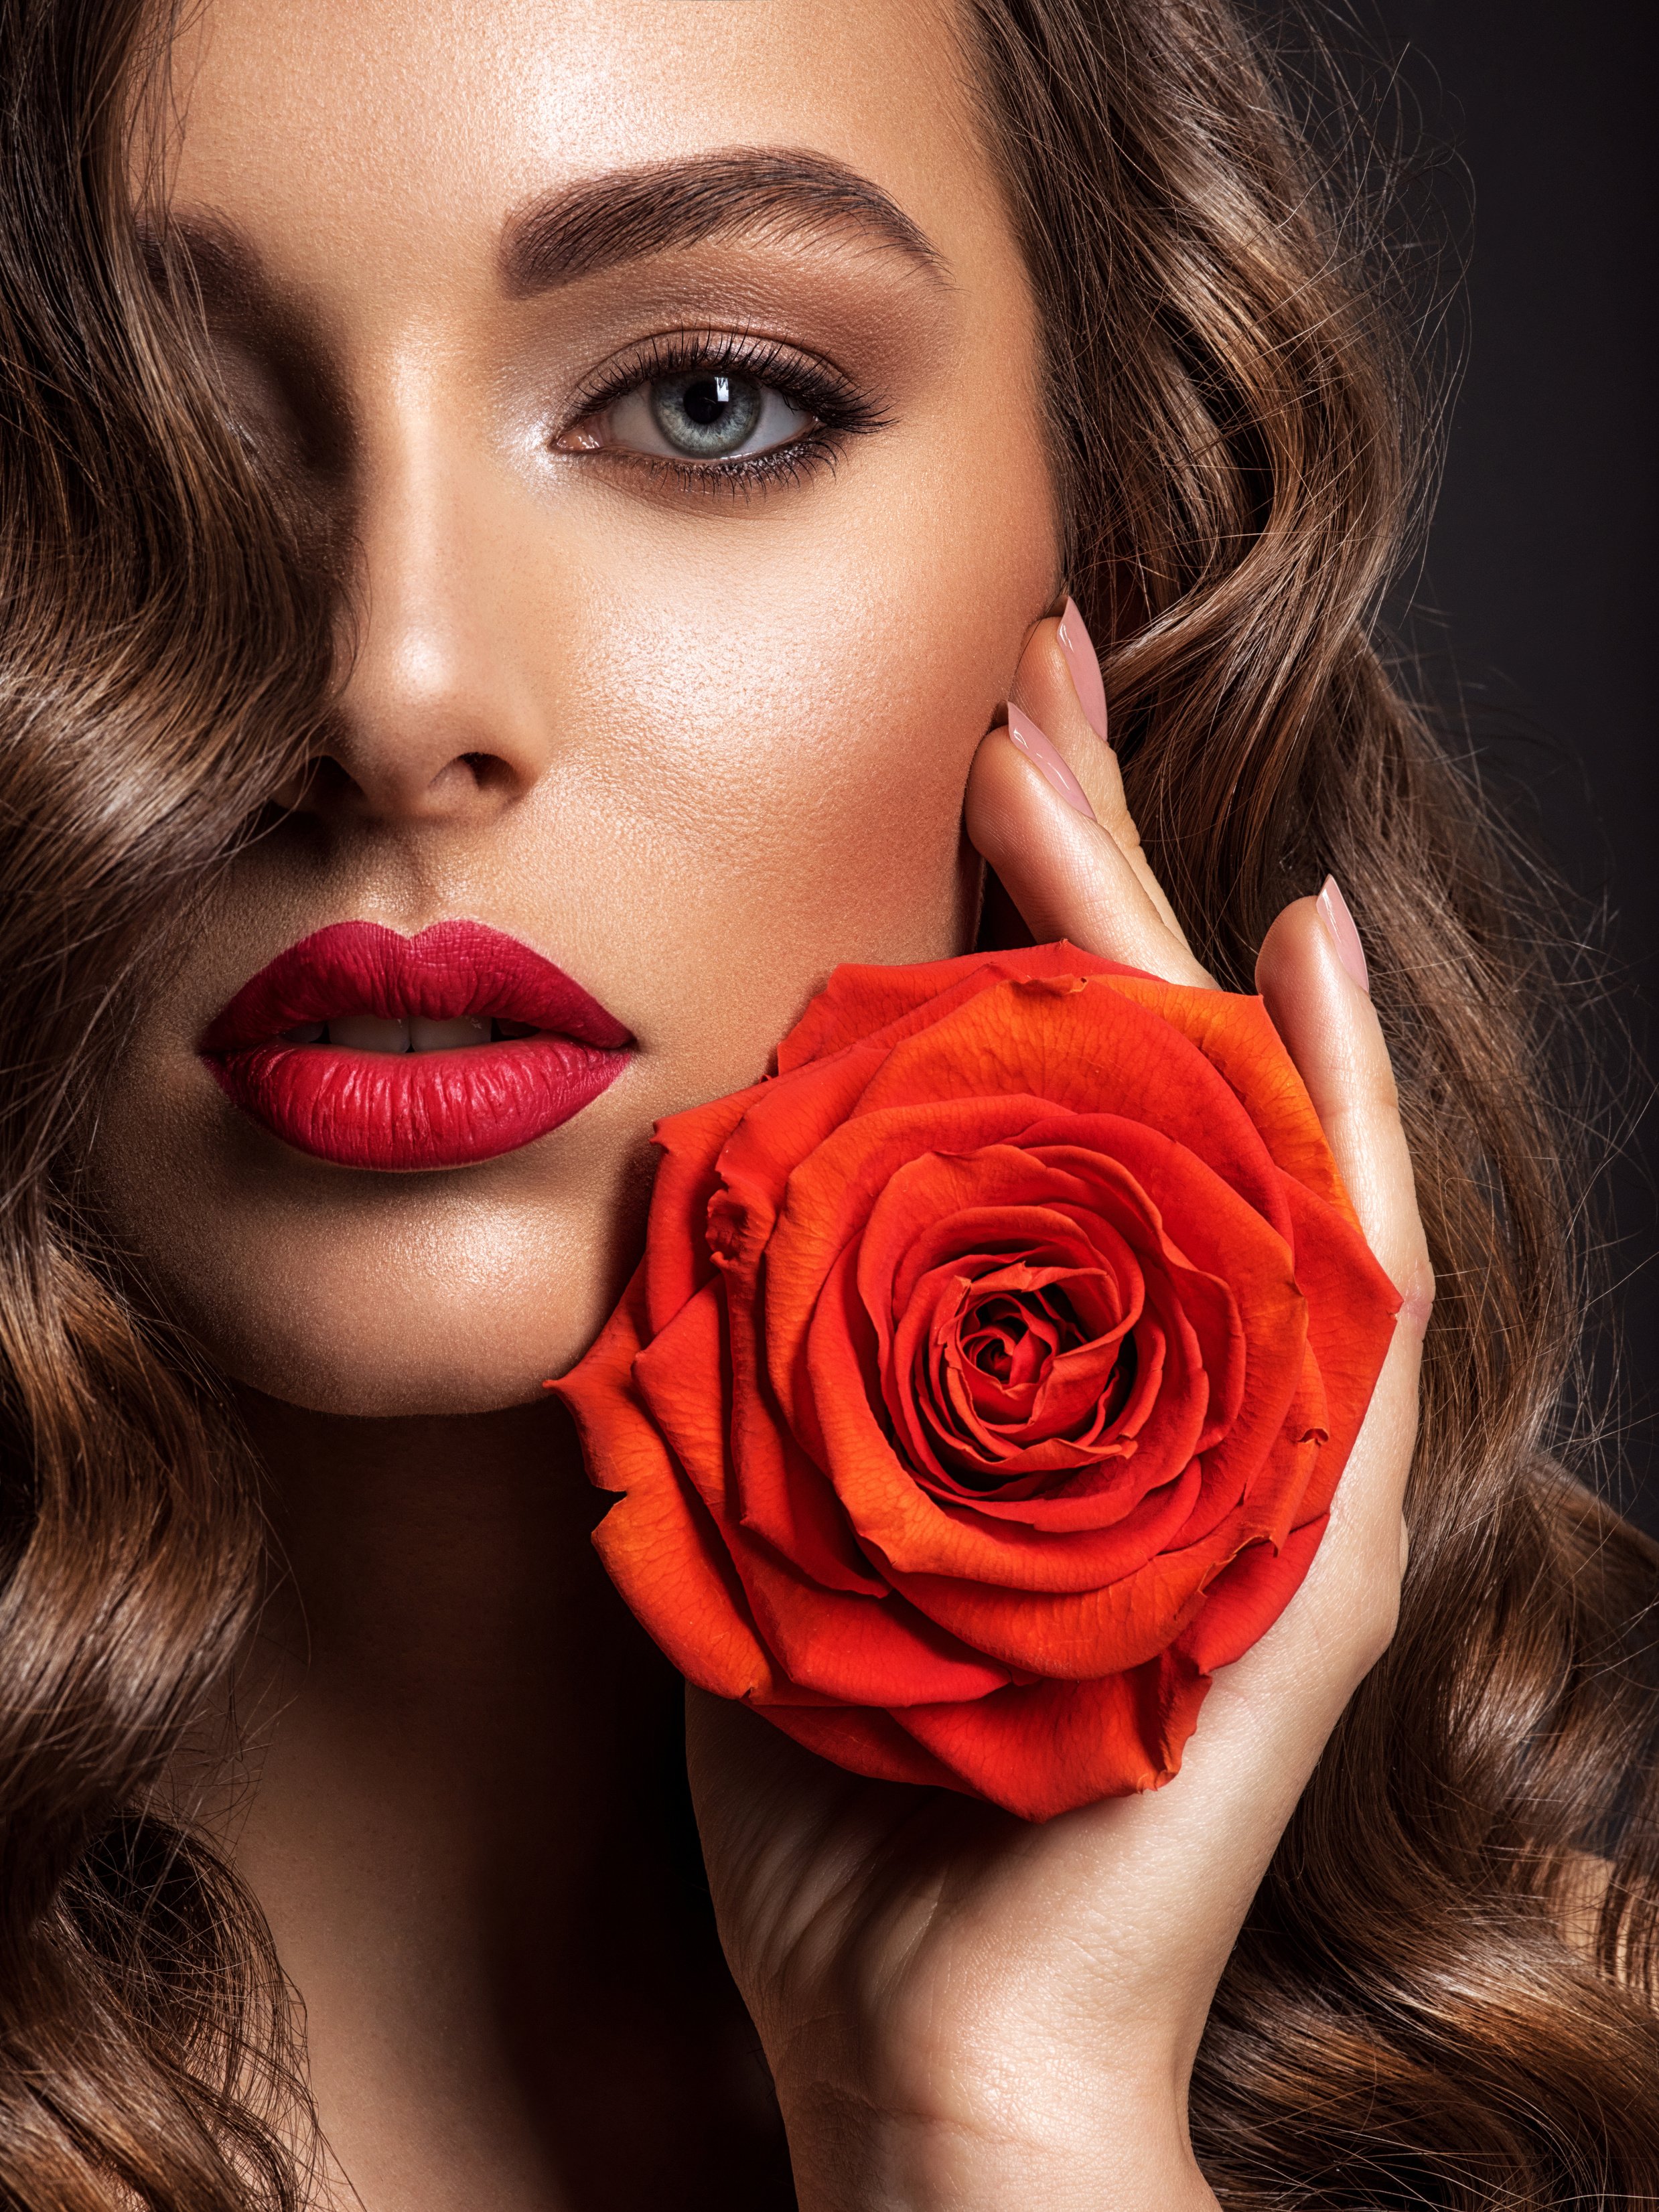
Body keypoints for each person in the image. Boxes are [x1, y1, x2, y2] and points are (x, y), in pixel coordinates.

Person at [0, 0, 1654, 2205]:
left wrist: (1001, 2115)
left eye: (709, 402)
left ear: (1114, 564)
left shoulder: (1583, 2094)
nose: (393, 694)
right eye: (91, 437)